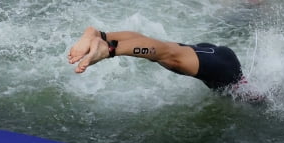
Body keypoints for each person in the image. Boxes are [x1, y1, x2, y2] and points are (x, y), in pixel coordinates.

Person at [67, 26, 245, 93]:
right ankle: (109, 48)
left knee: (165, 51)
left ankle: (101, 35)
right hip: (225, 70)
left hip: (214, 56)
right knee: (167, 53)